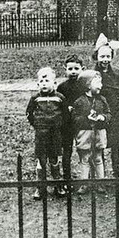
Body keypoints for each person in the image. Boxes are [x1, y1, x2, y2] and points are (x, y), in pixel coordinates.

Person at [93, 34, 119, 178]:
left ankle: (116, 170)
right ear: (96, 56)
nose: (105, 60)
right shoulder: (93, 74)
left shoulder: (116, 73)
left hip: (115, 112)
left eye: (108, 56)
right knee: (100, 144)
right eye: (102, 56)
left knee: (116, 143)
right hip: (101, 113)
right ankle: (100, 173)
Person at [26, 67, 67, 199]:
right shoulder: (35, 99)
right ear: (38, 84)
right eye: (41, 81)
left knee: (54, 159)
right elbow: (29, 114)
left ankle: (57, 185)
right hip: (41, 134)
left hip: (55, 133)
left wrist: (59, 125)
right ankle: (40, 187)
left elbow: (66, 114)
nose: (44, 83)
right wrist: (37, 124)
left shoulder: (59, 98)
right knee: (41, 160)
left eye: (47, 80)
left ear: (54, 83)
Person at [72, 70, 110, 194]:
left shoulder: (102, 99)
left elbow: (108, 114)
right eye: (97, 83)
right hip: (85, 134)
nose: (101, 85)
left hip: (99, 133)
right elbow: (75, 118)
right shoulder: (79, 101)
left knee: (98, 158)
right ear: (88, 85)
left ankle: (101, 183)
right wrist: (85, 119)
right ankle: (84, 184)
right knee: (85, 158)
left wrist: (103, 117)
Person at [57, 54, 86, 185]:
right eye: (70, 69)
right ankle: (67, 178)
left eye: (76, 68)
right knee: (67, 151)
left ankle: (86, 177)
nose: (73, 72)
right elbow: (58, 104)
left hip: (81, 123)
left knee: (85, 150)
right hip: (67, 124)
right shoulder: (62, 87)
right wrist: (66, 108)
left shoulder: (85, 86)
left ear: (82, 69)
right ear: (65, 69)